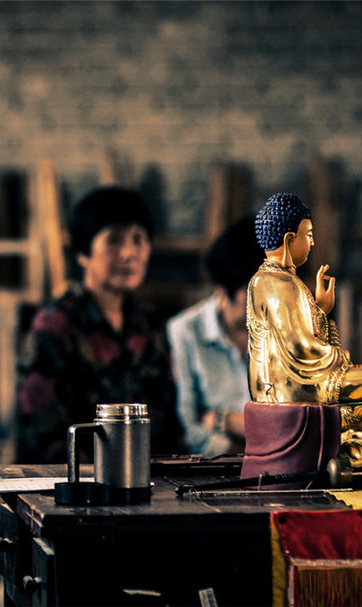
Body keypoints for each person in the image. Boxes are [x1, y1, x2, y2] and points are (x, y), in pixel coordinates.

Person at [14, 186, 183, 464]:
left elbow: (168, 420)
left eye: (138, 240)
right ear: (83, 253)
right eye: (114, 240)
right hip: (71, 479)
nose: (128, 253)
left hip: (144, 478)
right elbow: (45, 431)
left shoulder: (150, 327)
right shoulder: (56, 326)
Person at [248, 192, 362, 404]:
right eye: (308, 235)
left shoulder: (266, 279)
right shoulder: (281, 283)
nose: (312, 243)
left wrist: (320, 308)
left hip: (279, 383)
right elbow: (302, 348)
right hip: (287, 387)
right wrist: (342, 357)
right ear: (289, 239)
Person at [166, 217, 264, 456]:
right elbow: (189, 429)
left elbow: (296, 425)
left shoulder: (285, 329)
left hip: (285, 469)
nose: (267, 304)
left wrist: (224, 420)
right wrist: (249, 456)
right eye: (254, 293)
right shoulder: (185, 330)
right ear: (221, 288)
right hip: (215, 469)